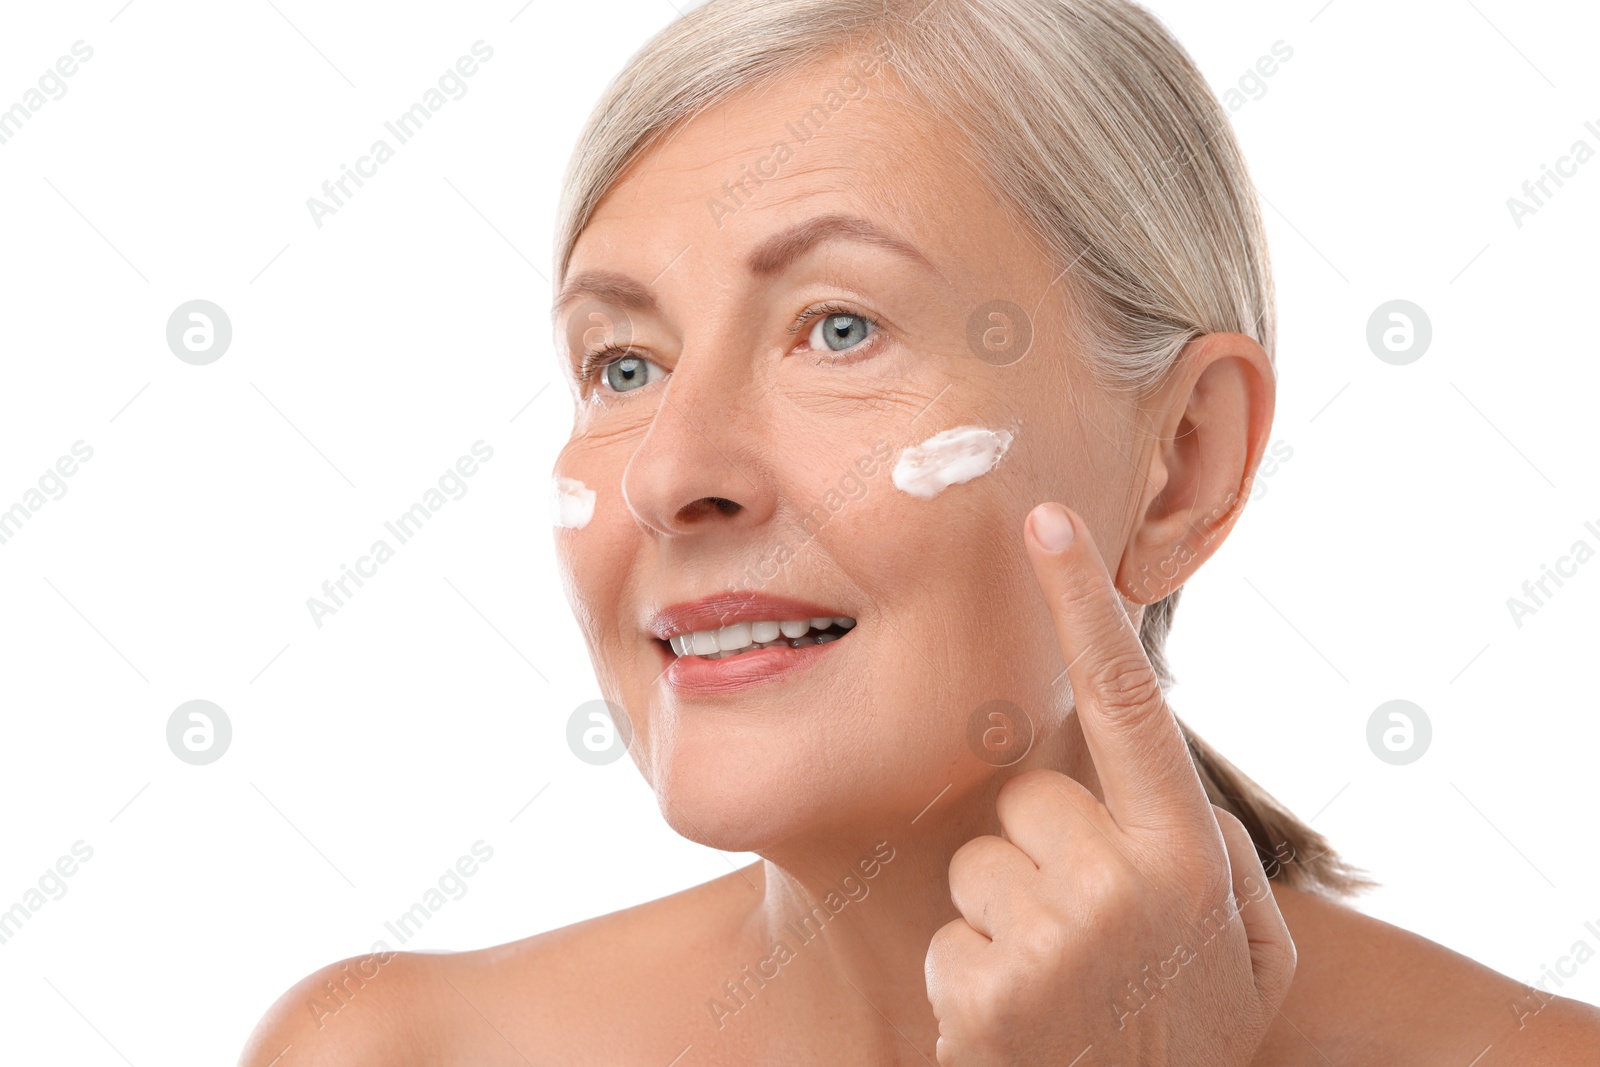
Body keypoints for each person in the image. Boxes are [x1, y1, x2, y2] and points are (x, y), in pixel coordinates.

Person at [240, 0, 1600, 1062]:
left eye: (840, 328)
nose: (671, 473)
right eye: (625, 365)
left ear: (1180, 464)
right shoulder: (384, 1052)